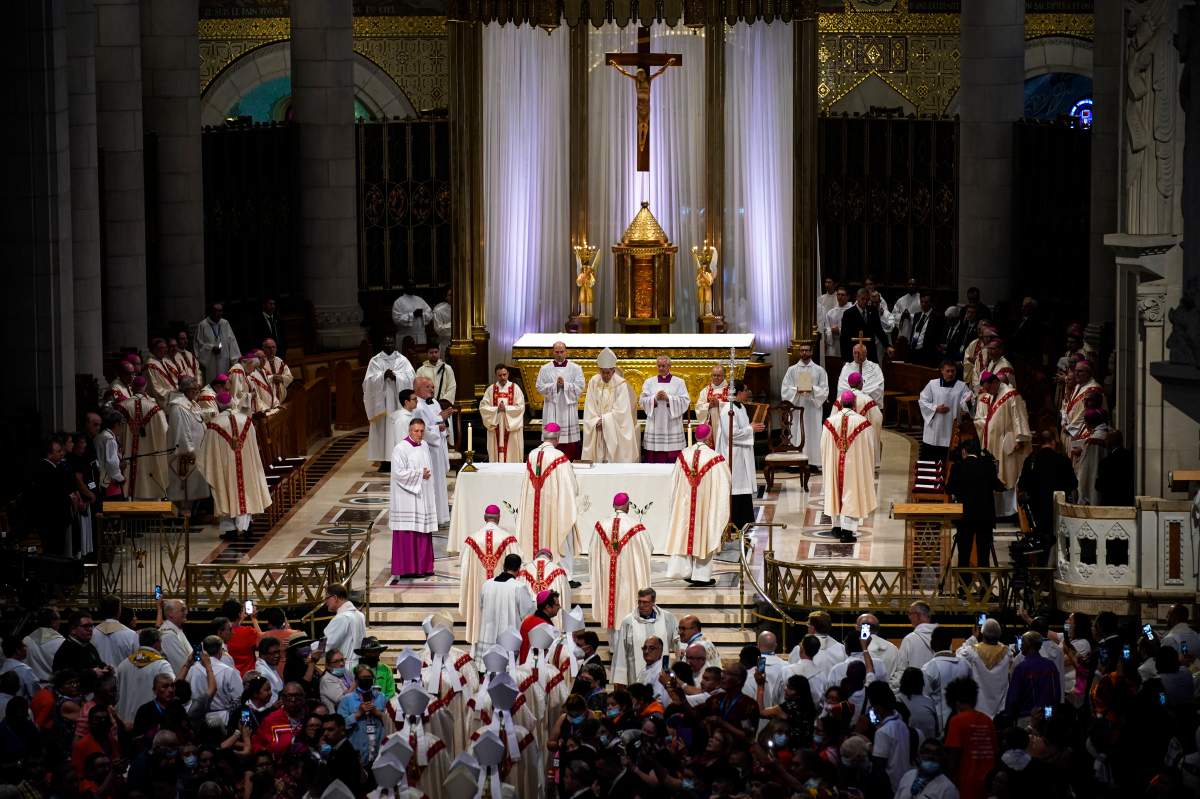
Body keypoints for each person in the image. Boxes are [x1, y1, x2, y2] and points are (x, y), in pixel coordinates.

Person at [196, 391, 271, 541]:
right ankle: (247, 526)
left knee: (226, 491)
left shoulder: (214, 424)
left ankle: (229, 529)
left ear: (218, 405)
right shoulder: (247, 421)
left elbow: (206, 453)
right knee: (246, 492)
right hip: (246, 466)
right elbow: (254, 448)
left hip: (225, 467)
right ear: (232, 403)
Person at [663, 423, 731, 585]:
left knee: (684, 531)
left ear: (695, 436)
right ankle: (701, 575)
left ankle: (682, 569)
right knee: (704, 533)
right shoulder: (715, 458)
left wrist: (678, 501)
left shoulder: (683, 455)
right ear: (708, 437)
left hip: (685, 505)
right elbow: (724, 483)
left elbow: (674, 482)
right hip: (704, 505)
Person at [518, 422, 579, 574]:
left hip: (533, 507)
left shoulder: (531, 455)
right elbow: (570, 485)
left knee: (535, 530)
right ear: (557, 439)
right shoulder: (559, 457)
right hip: (553, 507)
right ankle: (563, 573)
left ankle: (533, 569)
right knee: (562, 531)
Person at [588, 492, 652, 631]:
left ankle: (612, 647)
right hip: (627, 578)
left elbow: (592, 550)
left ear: (613, 506)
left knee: (609, 605)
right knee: (626, 603)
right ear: (628, 506)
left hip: (607, 576)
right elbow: (648, 548)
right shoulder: (636, 526)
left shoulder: (601, 525)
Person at [820, 391, 877, 543]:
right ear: (853, 403)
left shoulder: (829, 422)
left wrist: (830, 461)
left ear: (841, 403)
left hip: (834, 464)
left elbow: (823, 446)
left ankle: (836, 526)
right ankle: (847, 531)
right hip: (853, 466)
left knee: (835, 490)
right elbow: (870, 447)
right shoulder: (863, 423)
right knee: (852, 493)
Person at [460, 505, 521, 646]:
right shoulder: (508, 539)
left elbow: (464, 569)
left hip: (479, 590)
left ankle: (478, 646)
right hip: (503, 593)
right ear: (499, 518)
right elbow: (519, 563)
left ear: (484, 518)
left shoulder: (472, 540)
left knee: (481, 616)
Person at [947, 438, 1005, 582]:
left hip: (964, 517)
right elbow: (999, 486)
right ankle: (985, 587)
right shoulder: (987, 466)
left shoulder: (958, 467)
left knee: (964, 553)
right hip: (984, 517)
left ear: (964, 451)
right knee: (983, 554)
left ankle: (963, 587)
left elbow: (949, 489)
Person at [974, 371, 1032, 516]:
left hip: (1008, 444)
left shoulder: (1011, 394)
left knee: (1009, 473)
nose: (987, 392)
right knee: (996, 474)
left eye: (988, 388)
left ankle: (1012, 511)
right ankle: (998, 510)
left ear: (995, 383)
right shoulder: (995, 395)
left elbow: (1019, 416)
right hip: (994, 443)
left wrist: (1020, 438)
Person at [388, 417, 439, 581]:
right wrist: (419, 475)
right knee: (409, 532)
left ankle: (424, 566)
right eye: (416, 431)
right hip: (406, 498)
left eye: (422, 431)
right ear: (410, 431)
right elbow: (398, 473)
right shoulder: (400, 449)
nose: (419, 434)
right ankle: (407, 568)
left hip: (423, 494)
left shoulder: (424, 445)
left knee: (423, 531)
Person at [715, 380, 764, 529]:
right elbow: (732, 434)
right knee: (735, 487)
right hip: (733, 454)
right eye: (746, 390)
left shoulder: (741, 407)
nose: (748, 393)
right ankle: (735, 521)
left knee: (743, 487)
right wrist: (751, 429)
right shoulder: (727, 410)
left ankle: (745, 519)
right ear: (738, 392)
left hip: (742, 452)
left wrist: (751, 428)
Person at [363, 335, 416, 471]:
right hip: (381, 405)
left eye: (391, 342)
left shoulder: (402, 360)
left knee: (397, 429)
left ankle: (399, 460)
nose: (389, 345)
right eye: (386, 343)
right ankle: (384, 461)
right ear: (382, 344)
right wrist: (382, 377)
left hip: (397, 404)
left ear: (394, 344)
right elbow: (367, 382)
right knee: (382, 431)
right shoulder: (375, 361)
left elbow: (411, 377)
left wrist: (397, 377)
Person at [610, 588, 679, 687]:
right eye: (639, 602)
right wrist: (620, 681)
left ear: (653, 602)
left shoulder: (667, 618)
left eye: (645, 603)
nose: (641, 606)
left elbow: (678, 640)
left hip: (661, 675)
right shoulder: (628, 622)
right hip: (636, 676)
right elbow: (621, 652)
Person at [581, 347, 639, 463]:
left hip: (615, 431)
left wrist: (605, 421)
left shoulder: (620, 384)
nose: (605, 375)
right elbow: (589, 405)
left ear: (613, 370)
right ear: (599, 370)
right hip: (597, 429)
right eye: (603, 372)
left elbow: (622, 410)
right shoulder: (594, 382)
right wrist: (594, 421)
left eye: (608, 372)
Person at [1018, 430, 1077, 540]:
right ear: (1053, 442)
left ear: (1040, 443)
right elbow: (1073, 483)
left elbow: (1022, 485)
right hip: (1058, 510)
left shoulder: (1031, 460)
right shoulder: (1063, 460)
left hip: (1037, 509)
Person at [116, 380, 171, 499]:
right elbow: (165, 430)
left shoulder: (121, 407)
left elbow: (116, 434)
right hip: (150, 458)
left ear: (131, 387)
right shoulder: (154, 408)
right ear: (145, 387)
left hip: (127, 456)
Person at [166, 376, 211, 510]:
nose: (197, 393)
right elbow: (181, 430)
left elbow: (199, 418)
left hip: (197, 450)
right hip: (186, 455)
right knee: (185, 486)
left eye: (197, 390)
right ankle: (183, 514)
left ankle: (190, 513)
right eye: (194, 390)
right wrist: (189, 450)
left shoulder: (191, 403)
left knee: (194, 486)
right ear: (187, 390)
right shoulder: (179, 407)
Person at [412, 375, 452, 526]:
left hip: (439, 446)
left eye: (432, 387)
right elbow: (423, 429)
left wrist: (444, 422)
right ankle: (432, 517)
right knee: (432, 482)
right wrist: (438, 425)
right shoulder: (418, 406)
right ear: (417, 389)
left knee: (440, 482)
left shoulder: (434, 402)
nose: (431, 390)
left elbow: (440, 423)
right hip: (428, 449)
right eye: (427, 387)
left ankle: (442, 516)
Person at [536, 341, 585, 460]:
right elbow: (539, 386)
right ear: (553, 352)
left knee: (569, 439)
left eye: (562, 352)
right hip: (552, 407)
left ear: (566, 352)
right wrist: (555, 386)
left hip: (568, 408)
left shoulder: (575, 368)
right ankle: (550, 460)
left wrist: (565, 385)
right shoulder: (545, 368)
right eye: (557, 352)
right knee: (552, 436)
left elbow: (580, 386)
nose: (559, 354)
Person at [478, 553, 535, 657]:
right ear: (519, 569)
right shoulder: (519, 587)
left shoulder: (486, 585)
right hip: (509, 641)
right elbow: (528, 615)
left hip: (488, 637)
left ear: (504, 566)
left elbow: (482, 607)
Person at [780, 341, 828, 460]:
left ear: (811, 352)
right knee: (797, 431)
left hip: (812, 407)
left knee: (813, 432)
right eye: (802, 350)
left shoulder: (819, 370)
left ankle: (814, 460)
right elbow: (785, 389)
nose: (804, 352)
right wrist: (796, 390)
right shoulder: (792, 370)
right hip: (797, 406)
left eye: (807, 350)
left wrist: (812, 389)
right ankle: (795, 460)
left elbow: (825, 390)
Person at [115, 628, 176, 722]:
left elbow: (116, 696)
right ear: (157, 643)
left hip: (124, 722)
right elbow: (172, 691)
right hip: (149, 723)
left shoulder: (123, 665)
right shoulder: (162, 665)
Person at [27, 436, 74, 556]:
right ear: (49, 454)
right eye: (58, 452)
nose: (61, 454)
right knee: (54, 551)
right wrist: (69, 498)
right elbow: (54, 496)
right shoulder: (46, 470)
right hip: (52, 520)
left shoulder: (54, 468)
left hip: (55, 519)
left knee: (57, 550)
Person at [639, 355, 690, 463]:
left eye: (664, 366)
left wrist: (669, 399)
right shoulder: (649, 382)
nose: (661, 368)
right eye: (659, 366)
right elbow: (642, 401)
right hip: (654, 424)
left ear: (669, 366)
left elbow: (685, 400)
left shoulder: (679, 382)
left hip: (672, 425)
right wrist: (655, 398)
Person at [956, 618, 1012, 717]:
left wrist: (973, 638)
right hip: (1000, 709)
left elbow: (958, 653)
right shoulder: (1007, 653)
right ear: (999, 634)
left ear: (983, 633)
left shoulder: (972, 652)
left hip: (978, 708)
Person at [918, 360, 972, 461]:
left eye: (953, 371)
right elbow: (922, 401)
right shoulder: (932, 384)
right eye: (948, 371)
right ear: (942, 371)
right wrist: (936, 408)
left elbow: (967, 403)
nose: (951, 374)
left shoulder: (962, 386)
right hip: (935, 428)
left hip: (951, 427)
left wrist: (968, 401)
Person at [920, 626, 970, 733]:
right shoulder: (965, 664)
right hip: (965, 723)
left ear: (932, 644)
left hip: (939, 726)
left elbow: (925, 699)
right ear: (950, 642)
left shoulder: (929, 668)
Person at [865, 681, 911, 791]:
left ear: (878, 707)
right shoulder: (902, 724)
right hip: (903, 784)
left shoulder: (883, 732)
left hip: (890, 787)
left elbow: (878, 767)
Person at [1005, 632, 1061, 721]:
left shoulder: (1021, 668)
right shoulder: (1050, 666)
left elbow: (1013, 698)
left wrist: (1010, 716)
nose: (1021, 646)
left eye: (1022, 643)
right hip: (1048, 716)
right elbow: (1056, 694)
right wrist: (1049, 715)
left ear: (1028, 645)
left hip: (1026, 716)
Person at [190, 635, 242, 728]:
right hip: (223, 721)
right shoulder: (228, 671)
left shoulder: (192, 669)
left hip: (197, 720)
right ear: (220, 651)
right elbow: (239, 698)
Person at [479, 364, 526, 463]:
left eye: (504, 375)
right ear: (496, 375)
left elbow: (521, 407)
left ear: (508, 374)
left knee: (512, 452)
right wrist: (496, 410)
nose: (502, 377)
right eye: (500, 375)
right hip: (496, 425)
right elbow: (483, 407)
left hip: (511, 426)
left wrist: (506, 409)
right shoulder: (490, 389)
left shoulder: (515, 388)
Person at [52, 612, 109, 685]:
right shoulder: (65, 650)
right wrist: (91, 673)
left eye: (91, 626)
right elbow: (63, 678)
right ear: (73, 630)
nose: (90, 629)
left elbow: (97, 664)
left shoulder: (89, 645)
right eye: (86, 626)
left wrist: (105, 668)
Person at [891, 602, 938, 688]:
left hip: (916, 690)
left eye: (910, 614)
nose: (909, 617)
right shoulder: (942, 636)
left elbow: (901, 669)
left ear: (918, 615)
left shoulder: (910, 639)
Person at [895, 740, 960, 799]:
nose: (931, 756)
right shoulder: (908, 775)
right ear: (919, 755)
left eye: (936, 753)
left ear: (941, 758)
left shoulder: (948, 788)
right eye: (927, 752)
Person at [322, 584, 366, 671]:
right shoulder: (360, 615)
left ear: (335, 598)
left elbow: (328, 643)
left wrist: (310, 649)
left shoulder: (342, 618)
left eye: (327, 598)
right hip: (359, 666)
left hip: (344, 667)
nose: (326, 602)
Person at [839, 287, 888, 362]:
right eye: (862, 299)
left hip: (870, 352)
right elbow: (844, 337)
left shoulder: (873, 310)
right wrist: (844, 358)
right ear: (857, 298)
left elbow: (879, 330)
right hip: (854, 352)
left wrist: (887, 346)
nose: (865, 301)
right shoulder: (848, 314)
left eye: (867, 299)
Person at [1071, 408, 1109, 505]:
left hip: (1093, 480)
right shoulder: (1109, 433)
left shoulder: (1093, 441)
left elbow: (1085, 469)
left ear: (1090, 423)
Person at [195, 303, 241, 382]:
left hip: (224, 360)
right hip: (210, 362)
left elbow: (232, 341)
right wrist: (211, 348)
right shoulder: (202, 325)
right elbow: (198, 344)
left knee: (224, 382)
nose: (218, 313)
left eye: (220, 311)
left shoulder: (225, 323)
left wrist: (235, 359)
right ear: (211, 312)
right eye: (216, 311)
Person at [415, 342, 456, 421]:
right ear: (427, 354)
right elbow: (418, 388)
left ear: (439, 352)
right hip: (427, 405)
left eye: (436, 352)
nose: (434, 354)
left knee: (445, 429)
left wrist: (444, 402)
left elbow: (452, 387)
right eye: (431, 353)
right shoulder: (421, 370)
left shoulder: (447, 368)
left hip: (444, 405)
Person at [836, 342, 885, 407]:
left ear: (865, 353)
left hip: (868, 405)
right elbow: (842, 387)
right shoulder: (846, 367)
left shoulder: (875, 368)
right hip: (850, 406)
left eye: (860, 352)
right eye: (855, 353)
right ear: (852, 353)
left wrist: (860, 396)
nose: (857, 355)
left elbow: (877, 388)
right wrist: (854, 395)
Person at [1095, 429, 1134, 506]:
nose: (1105, 442)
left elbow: (1099, 486)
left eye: (1106, 440)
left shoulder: (1105, 462)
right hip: (1127, 502)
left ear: (1109, 443)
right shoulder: (1131, 457)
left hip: (1109, 503)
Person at [908, 292, 944, 365]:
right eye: (922, 302)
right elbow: (914, 332)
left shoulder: (936, 317)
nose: (923, 304)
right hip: (913, 351)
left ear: (931, 303)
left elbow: (938, 336)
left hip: (926, 354)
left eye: (926, 302)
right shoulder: (917, 316)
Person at [694, 364, 730, 434]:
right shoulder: (705, 390)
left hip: (726, 424)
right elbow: (698, 407)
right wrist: (709, 405)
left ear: (724, 376)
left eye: (718, 375)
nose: (716, 377)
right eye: (714, 375)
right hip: (710, 425)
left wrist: (719, 404)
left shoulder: (730, 390)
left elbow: (735, 406)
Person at [257, 338, 293, 406]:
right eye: (269, 348)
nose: (272, 350)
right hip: (267, 401)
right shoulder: (260, 362)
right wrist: (272, 378)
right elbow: (258, 379)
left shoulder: (279, 361)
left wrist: (281, 378)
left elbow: (290, 377)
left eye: (273, 347)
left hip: (283, 399)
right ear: (263, 349)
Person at [144, 338, 178, 404]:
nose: (165, 350)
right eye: (162, 348)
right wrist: (171, 394)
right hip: (163, 399)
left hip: (173, 395)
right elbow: (154, 387)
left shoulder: (164, 361)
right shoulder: (150, 365)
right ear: (154, 349)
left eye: (165, 348)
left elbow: (173, 378)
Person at [823, 285, 852, 358]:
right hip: (833, 343)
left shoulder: (852, 311)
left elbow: (853, 329)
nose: (840, 297)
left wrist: (839, 330)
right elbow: (826, 328)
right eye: (838, 295)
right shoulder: (831, 312)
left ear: (848, 297)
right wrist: (830, 330)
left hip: (847, 344)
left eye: (842, 295)